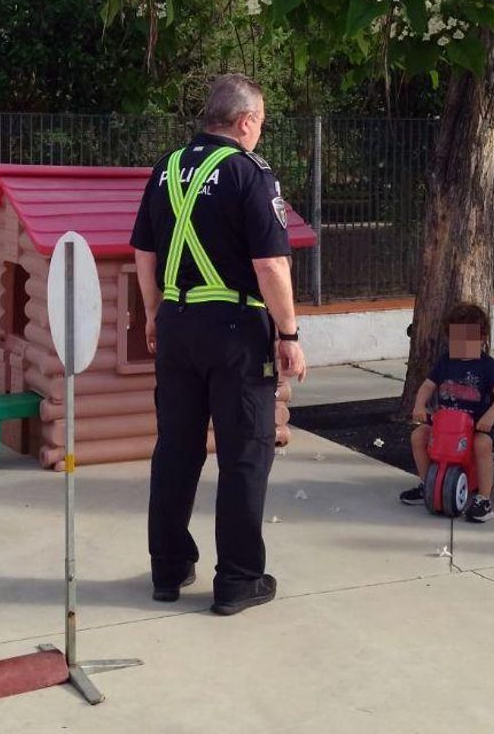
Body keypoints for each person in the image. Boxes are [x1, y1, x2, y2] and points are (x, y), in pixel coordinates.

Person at [131, 73, 306, 616]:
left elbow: (143, 249)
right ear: (246, 121)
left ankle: (168, 568)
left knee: (176, 449)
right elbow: (271, 263)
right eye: (260, 125)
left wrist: (155, 312)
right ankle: (237, 580)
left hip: (178, 323)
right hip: (235, 329)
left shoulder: (167, 169)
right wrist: (289, 334)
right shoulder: (250, 174)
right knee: (245, 455)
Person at [399, 303, 494, 523]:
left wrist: (489, 417)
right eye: (457, 338)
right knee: (418, 436)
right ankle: (426, 484)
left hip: (475, 425)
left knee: (482, 445)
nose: (463, 344)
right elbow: (427, 386)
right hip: (445, 425)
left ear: (482, 337)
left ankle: (484, 499)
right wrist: (419, 406)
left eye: (470, 338)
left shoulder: (488, 365)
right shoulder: (446, 361)